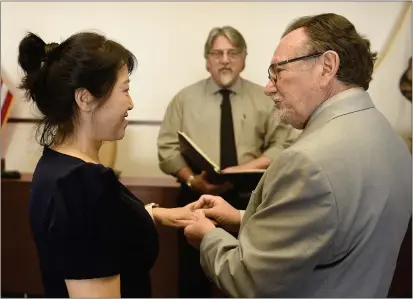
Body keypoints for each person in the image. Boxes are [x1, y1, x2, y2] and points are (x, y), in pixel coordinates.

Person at [184, 13, 412, 297]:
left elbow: (248, 280)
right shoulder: (393, 142)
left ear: (327, 67)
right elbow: (331, 227)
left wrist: (208, 236)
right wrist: (243, 218)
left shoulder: (307, 162)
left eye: (277, 71)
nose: (269, 87)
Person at [19, 32, 197, 298]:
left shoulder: (60, 166)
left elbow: (99, 227)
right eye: (125, 89)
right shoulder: (82, 184)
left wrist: (154, 213)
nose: (131, 103)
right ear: (85, 99)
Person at [157, 25, 298, 297]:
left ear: (244, 58)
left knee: (249, 277)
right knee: (192, 280)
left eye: (232, 53)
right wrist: (191, 179)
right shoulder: (184, 99)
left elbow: (284, 143)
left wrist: (245, 169)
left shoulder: (267, 98)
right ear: (207, 59)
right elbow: (167, 148)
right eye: (217, 53)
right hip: (196, 200)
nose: (225, 60)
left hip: (251, 199)